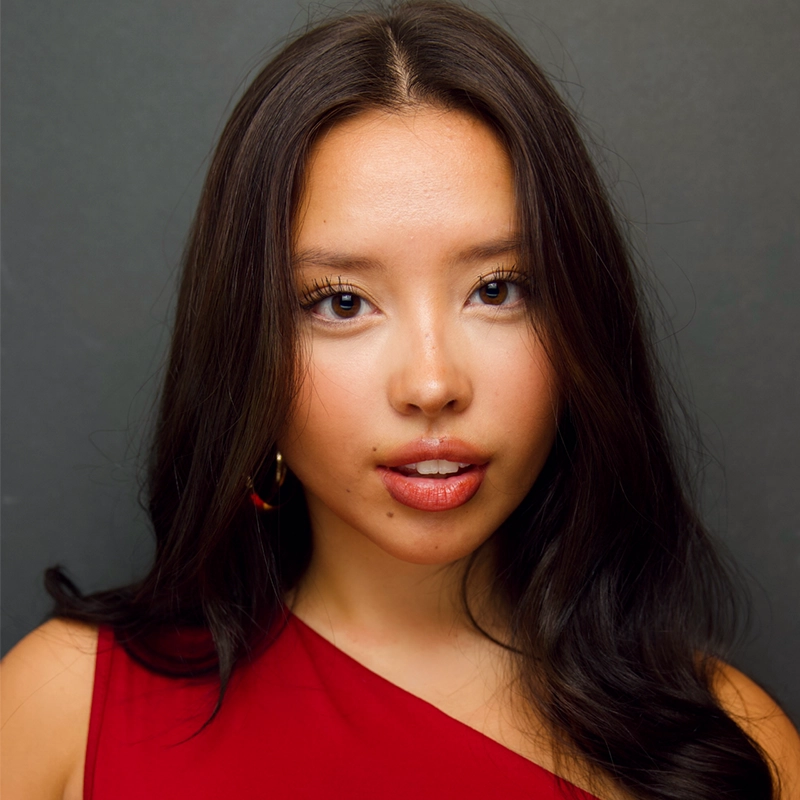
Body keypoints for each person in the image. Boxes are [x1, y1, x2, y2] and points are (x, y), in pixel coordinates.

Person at [2, 2, 798, 798]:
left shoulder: (734, 747)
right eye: (341, 302)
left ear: (583, 321)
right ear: (247, 349)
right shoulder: (64, 709)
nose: (431, 385)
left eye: (498, 289)